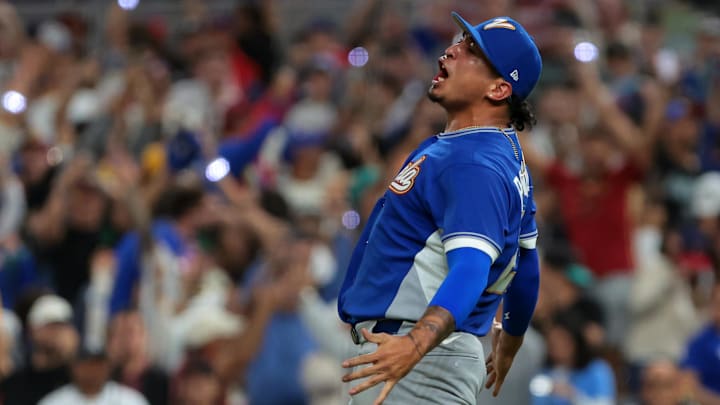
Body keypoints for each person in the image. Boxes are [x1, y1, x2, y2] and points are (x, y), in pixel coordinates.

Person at [338, 12, 542, 404]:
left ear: (499, 89)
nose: (449, 52)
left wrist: (416, 344)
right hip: (430, 355)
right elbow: (527, 265)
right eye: (459, 42)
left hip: (420, 358)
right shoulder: (500, 152)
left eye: (470, 51)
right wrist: (510, 343)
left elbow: (471, 267)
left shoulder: (472, 161)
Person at [39, 348, 149, 405]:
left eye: (97, 364)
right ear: (73, 367)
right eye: (86, 364)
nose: (92, 370)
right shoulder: (55, 401)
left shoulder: (130, 400)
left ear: (107, 367)